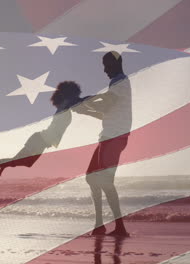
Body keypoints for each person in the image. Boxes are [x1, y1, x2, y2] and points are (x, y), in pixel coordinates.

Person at [0, 81, 89, 186]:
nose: (76, 97)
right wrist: (100, 96)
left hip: (41, 141)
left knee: (25, 163)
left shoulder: (64, 108)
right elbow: (78, 101)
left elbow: (79, 104)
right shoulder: (63, 107)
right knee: (17, 161)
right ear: (69, 95)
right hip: (39, 140)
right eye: (75, 94)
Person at [74, 51, 132, 237]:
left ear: (116, 63)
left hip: (114, 138)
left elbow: (106, 105)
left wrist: (84, 102)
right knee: (91, 177)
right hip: (108, 136)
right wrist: (85, 110)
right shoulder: (116, 84)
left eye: (106, 65)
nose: (104, 69)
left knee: (105, 181)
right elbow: (105, 113)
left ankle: (120, 227)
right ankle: (100, 224)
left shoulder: (120, 81)